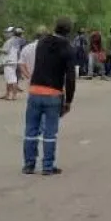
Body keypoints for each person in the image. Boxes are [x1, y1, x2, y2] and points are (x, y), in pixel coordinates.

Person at [22, 17, 77, 175]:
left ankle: (29, 164)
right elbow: (70, 77)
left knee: (31, 130)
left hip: (35, 89)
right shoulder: (68, 48)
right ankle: (47, 165)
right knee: (50, 132)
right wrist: (68, 100)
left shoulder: (42, 43)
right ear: (69, 31)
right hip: (53, 93)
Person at [0, 28, 21, 100]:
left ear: (12, 33)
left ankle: (13, 95)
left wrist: (0, 49)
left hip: (9, 62)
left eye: (7, 32)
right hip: (13, 61)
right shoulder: (16, 41)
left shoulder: (10, 41)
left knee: (12, 79)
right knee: (9, 79)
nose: (5, 34)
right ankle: (7, 94)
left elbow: (6, 51)